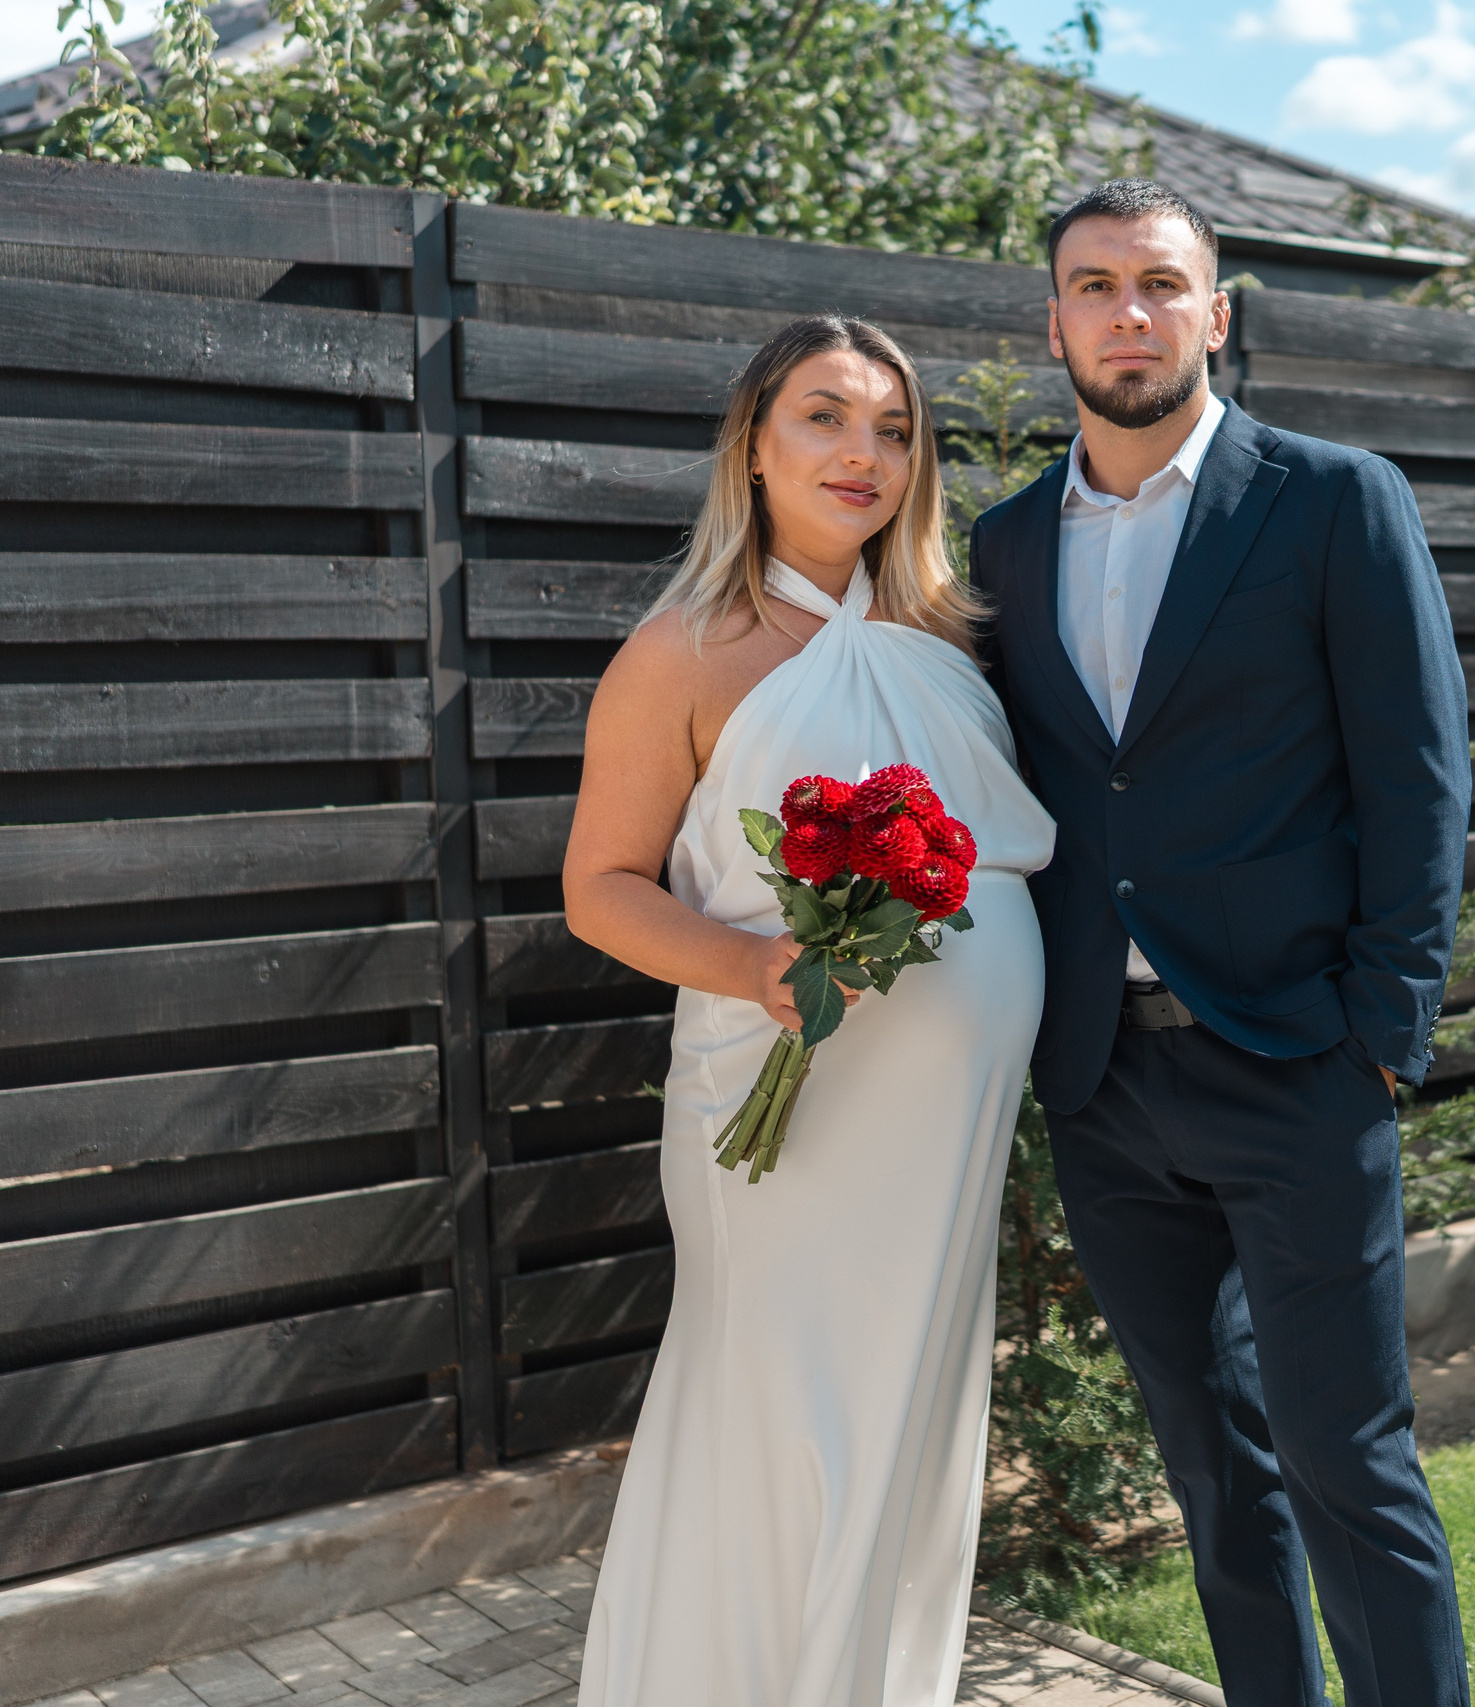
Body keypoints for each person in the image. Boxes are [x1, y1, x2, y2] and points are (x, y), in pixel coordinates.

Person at [971, 179, 1475, 1707]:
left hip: (1297, 1064)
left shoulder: (1331, 500)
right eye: (1097, 285)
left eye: (1161, 284)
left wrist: (1380, 1034)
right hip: (1106, 1083)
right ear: (1053, 319)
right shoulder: (998, 549)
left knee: (1348, 1465)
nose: (1131, 313)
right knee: (1208, 1468)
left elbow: (1419, 773)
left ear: (1216, 313)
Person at [561, 315, 1054, 1706]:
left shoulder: (951, 635)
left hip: (940, 1132)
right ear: (754, 445)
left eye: (895, 429)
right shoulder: (690, 647)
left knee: (909, 1419)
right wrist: (760, 972)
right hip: (776, 1116)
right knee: (775, 1415)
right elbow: (599, 887)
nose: (865, 454)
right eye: (828, 418)